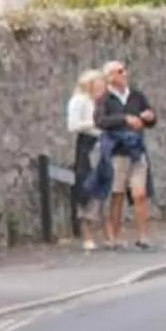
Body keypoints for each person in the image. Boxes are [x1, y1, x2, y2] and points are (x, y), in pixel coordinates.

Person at [98, 60, 161, 250]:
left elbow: (149, 116)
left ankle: (143, 236)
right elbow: (100, 121)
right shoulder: (105, 99)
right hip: (117, 152)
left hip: (136, 150)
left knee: (140, 194)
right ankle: (114, 237)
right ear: (110, 77)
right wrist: (124, 118)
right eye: (120, 71)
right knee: (117, 195)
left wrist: (150, 117)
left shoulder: (136, 95)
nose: (124, 74)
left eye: (124, 70)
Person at [66, 68, 111, 249]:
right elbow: (73, 126)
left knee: (105, 186)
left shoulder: (101, 102)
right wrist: (95, 123)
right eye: (98, 84)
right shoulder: (79, 101)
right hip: (88, 144)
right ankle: (87, 235)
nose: (101, 87)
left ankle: (109, 235)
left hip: (104, 142)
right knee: (86, 187)